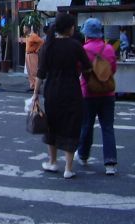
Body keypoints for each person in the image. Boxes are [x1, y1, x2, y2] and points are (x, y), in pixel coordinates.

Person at [32, 13, 91, 179]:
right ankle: (68, 168)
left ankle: (52, 162)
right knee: (71, 126)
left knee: (52, 125)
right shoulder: (75, 45)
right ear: (69, 28)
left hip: (52, 92)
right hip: (72, 90)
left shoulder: (47, 46)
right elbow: (87, 68)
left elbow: (41, 73)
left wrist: (36, 94)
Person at [77, 18, 118, 176]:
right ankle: (110, 163)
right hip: (108, 93)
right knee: (107, 127)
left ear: (86, 34)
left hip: (88, 92)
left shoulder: (84, 49)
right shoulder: (108, 48)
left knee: (86, 125)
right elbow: (113, 69)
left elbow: (78, 68)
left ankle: (83, 155)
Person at [22, 25, 44, 90]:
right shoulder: (27, 36)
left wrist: (37, 49)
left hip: (32, 55)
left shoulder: (33, 35)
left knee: (33, 71)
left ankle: (36, 88)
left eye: (24, 28)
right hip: (28, 54)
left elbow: (42, 41)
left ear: (27, 29)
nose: (23, 30)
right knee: (29, 72)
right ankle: (32, 86)